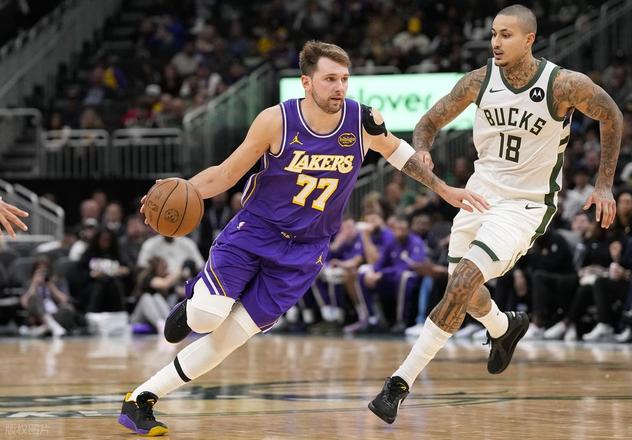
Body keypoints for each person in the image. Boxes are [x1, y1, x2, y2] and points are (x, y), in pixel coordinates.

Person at [118, 40, 488, 436]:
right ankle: (192, 307)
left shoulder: (362, 121)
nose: (339, 87)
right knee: (207, 317)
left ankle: (140, 399)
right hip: (255, 231)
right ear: (306, 82)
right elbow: (226, 174)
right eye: (330, 79)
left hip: (306, 250)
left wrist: (444, 189)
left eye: (344, 79)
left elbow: (401, 156)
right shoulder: (276, 121)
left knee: (228, 340)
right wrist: (179, 190)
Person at [369, 4, 622, 424]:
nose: (495, 43)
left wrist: (604, 184)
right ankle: (504, 328)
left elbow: (610, 114)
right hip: (478, 197)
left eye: (506, 35)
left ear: (529, 39)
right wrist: (424, 148)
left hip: (524, 205)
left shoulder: (562, 84)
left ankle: (398, 383)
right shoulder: (479, 81)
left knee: (463, 282)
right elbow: (428, 122)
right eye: (493, 34)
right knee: (465, 296)